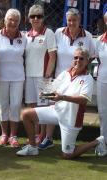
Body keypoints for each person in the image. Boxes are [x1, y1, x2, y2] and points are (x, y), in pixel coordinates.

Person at [16, 47, 107, 158]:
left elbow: (83, 100)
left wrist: (62, 97)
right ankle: (32, 147)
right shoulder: (65, 73)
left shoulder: (88, 78)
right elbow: (53, 89)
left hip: (71, 119)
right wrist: (46, 94)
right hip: (56, 111)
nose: (78, 60)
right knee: (26, 114)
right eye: (76, 58)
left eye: (81, 58)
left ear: (87, 61)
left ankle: (97, 142)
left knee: (68, 155)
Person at [38, 8, 95, 150]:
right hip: (60, 77)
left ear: (79, 20)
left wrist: (83, 73)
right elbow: (52, 53)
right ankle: (48, 138)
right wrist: (49, 74)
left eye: (74, 20)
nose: (71, 23)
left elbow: (92, 56)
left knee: (71, 108)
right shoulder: (58, 32)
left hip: (77, 79)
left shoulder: (87, 35)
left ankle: (68, 139)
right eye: (69, 20)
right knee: (53, 106)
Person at [0, 9, 26, 147]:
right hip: (1, 76)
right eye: (10, 19)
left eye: (16, 20)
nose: (13, 22)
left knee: (16, 105)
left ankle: (13, 136)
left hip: (18, 76)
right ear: (5, 20)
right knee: (3, 105)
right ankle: (4, 134)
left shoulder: (24, 37)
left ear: (19, 22)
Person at [24, 4, 57, 145]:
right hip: (29, 76)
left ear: (43, 18)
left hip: (44, 77)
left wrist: (47, 75)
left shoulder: (48, 32)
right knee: (32, 107)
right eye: (33, 16)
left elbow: (53, 56)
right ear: (29, 18)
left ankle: (44, 136)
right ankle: (36, 135)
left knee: (44, 108)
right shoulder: (26, 35)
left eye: (39, 16)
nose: (36, 18)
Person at [95, 11, 107, 147]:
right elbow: (96, 60)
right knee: (103, 112)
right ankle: (103, 141)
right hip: (102, 80)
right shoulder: (99, 41)